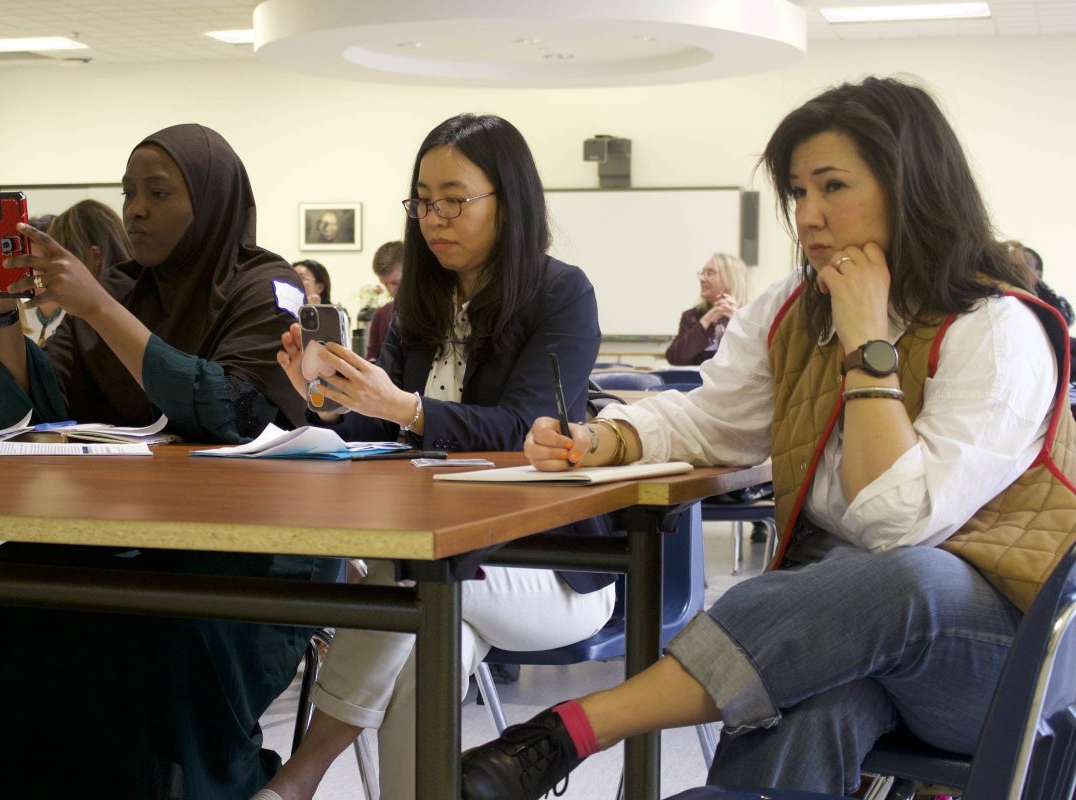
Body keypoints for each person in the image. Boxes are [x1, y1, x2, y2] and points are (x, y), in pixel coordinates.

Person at [460, 76, 1076, 799]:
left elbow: (895, 523)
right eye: (797, 193)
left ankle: (577, 727)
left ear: (912, 188)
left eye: (832, 187)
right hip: (839, 633)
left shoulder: (1000, 329)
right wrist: (606, 438)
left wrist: (867, 342)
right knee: (810, 694)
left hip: (1003, 661)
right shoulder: (793, 306)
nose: (808, 216)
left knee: (916, 576)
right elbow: (712, 421)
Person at [0, 123, 336, 800]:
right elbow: (35, 412)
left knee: (165, 628)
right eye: (130, 192)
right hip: (132, 540)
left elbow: (233, 411)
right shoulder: (123, 286)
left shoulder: (267, 286)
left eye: (158, 192)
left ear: (212, 201)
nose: (135, 209)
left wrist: (99, 307)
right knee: (3, 588)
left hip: (255, 556)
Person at [250, 113, 617, 800]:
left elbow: (520, 430)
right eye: (422, 200)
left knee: (411, 575)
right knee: (426, 643)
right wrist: (325, 400)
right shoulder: (413, 306)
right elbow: (375, 429)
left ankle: (301, 775)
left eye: (454, 199)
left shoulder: (561, 293)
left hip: (553, 566)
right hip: (441, 560)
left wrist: (410, 410)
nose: (434, 218)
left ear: (508, 202)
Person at [18, 199, 131, 344]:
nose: (31, 272)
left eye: (50, 260)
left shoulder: (88, 312)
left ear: (95, 256)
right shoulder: (83, 311)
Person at [665, 252, 749, 365]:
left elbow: (758, 359)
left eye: (709, 273)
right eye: (702, 273)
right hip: (697, 381)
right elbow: (675, 358)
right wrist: (706, 320)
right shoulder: (691, 317)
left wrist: (738, 320)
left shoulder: (751, 315)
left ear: (731, 278)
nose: (702, 278)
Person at [1010, 241, 1073, 326]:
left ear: (1038, 274)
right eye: (1012, 262)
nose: (1017, 267)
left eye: (1026, 263)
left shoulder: (1051, 303)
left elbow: (1065, 319)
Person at [364, 239, 402, 361]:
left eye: (395, 282)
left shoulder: (431, 311)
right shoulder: (381, 315)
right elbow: (372, 357)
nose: (391, 291)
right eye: (385, 284)